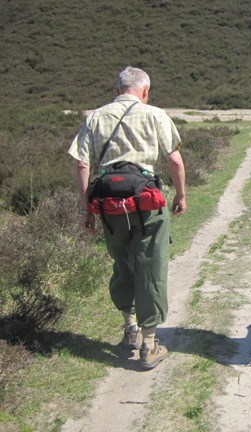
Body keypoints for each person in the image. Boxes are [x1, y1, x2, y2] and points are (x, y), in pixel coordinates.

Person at [68, 66, 186, 370]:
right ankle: (149, 344)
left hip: (110, 205)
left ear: (117, 89)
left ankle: (130, 327)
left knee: (123, 263)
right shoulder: (155, 114)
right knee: (151, 267)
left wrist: (85, 209)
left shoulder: (95, 117)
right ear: (145, 91)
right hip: (147, 204)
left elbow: (82, 164)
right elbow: (174, 159)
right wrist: (180, 195)